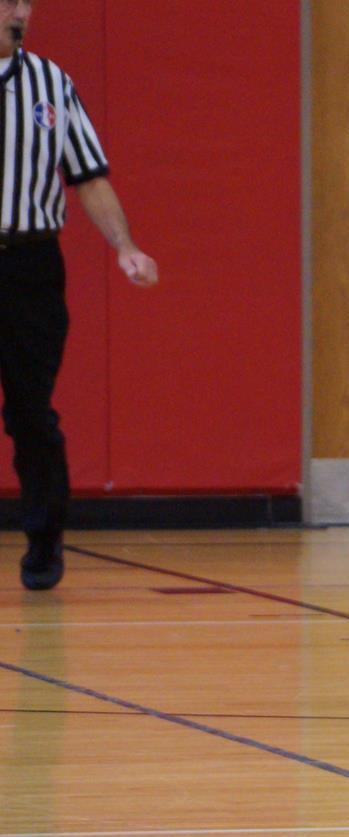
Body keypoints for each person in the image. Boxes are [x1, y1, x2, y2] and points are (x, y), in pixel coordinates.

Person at [1, 0, 158, 590]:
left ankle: (44, 541)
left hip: (31, 265)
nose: (20, 12)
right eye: (9, 2)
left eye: (25, 2)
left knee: (30, 413)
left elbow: (88, 175)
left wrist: (125, 246)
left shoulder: (51, 83)